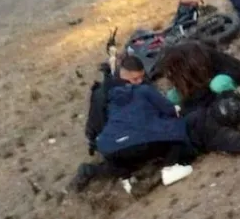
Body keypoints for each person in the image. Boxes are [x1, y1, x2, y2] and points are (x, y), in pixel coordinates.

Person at [70, 55, 194, 193]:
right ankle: (170, 166)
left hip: (113, 147)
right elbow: (170, 111)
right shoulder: (140, 89)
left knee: (123, 159)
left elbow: (94, 124)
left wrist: (96, 143)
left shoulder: (105, 93)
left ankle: (117, 176)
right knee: (175, 128)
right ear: (123, 74)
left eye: (141, 77)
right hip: (139, 139)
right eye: (135, 79)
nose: (139, 81)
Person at [158, 40, 240, 157]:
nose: (169, 76)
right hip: (210, 113)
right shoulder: (182, 84)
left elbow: (237, 71)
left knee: (223, 129)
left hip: (227, 91)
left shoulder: (207, 60)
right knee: (224, 118)